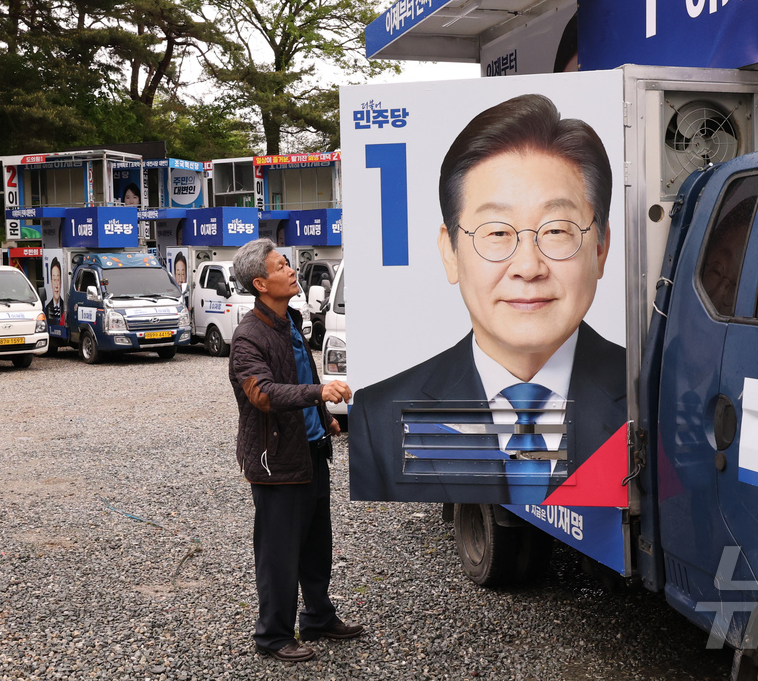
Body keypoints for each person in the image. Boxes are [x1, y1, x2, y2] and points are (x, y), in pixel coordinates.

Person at [351, 93, 627, 505]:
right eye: (497, 232)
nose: (528, 267)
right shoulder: (378, 417)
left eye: (556, 230)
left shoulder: (658, 400)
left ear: (600, 249)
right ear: (451, 252)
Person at [228, 237, 360, 663]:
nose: (291, 271)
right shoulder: (248, 337)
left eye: (288, 264)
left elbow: (301, 374)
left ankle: (318, 617)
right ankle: (272, 636)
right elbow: (264, 393)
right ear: (260, 283)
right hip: (277, 462)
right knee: (279, 554)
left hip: (311, 450)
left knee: (317, 545)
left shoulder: (292, 320)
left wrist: (323, 417)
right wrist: (319, 393)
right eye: (281, 266)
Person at [44, 258, 65, 327]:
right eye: (54, 280)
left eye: (58, 280)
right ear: (51, 282)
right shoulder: (47, 308)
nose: (56, 286)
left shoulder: (65, 306)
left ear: (61, 282)